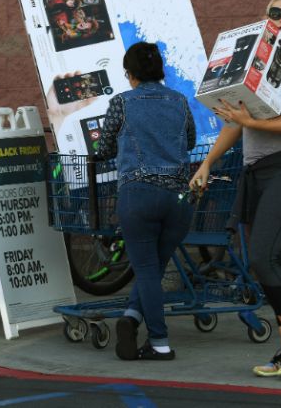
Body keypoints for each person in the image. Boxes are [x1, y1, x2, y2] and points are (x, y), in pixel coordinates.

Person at [189, 0, 281, 378]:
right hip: (257, 174)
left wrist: (252, 123)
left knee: (262, 257)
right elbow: (234, 121)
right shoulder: (252, 67)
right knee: (268, 260)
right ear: (264, 19)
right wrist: (207, 163)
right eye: (275, 13)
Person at [94, 42, 197, 361]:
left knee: (148, 270)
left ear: (131, 74)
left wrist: (106, 152)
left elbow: (106, 146)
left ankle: (160, 342)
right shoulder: (179, 101)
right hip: (179, 198)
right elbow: (190, 140)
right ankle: (131, 318)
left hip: (138, 194)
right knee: (154, 266)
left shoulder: (122, 103)